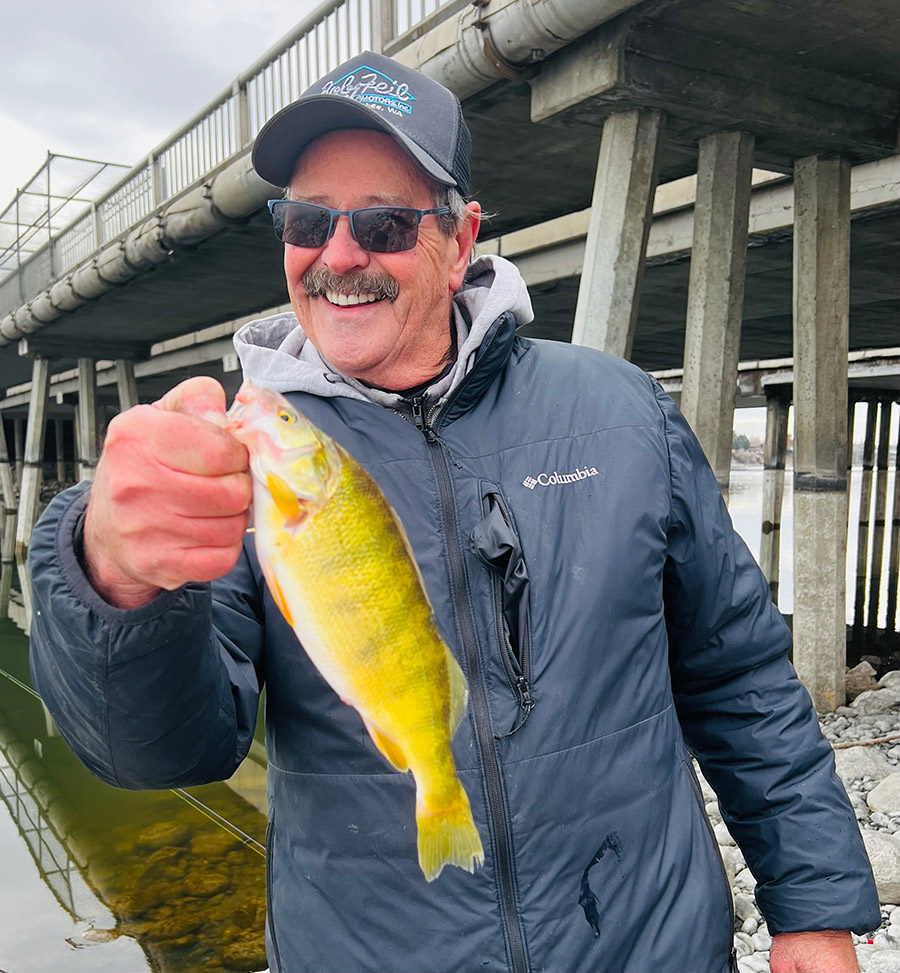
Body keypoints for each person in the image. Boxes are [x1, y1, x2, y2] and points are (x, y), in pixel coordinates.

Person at [29, 50, 878, 973]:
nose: (340, 254)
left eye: (387, 224)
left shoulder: (624, 411)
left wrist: (813, 910)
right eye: (308, 220)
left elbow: (739, 677)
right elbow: (157, 750)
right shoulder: (239, 463)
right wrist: (114, 581)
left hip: (647, 945)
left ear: (461, 237)